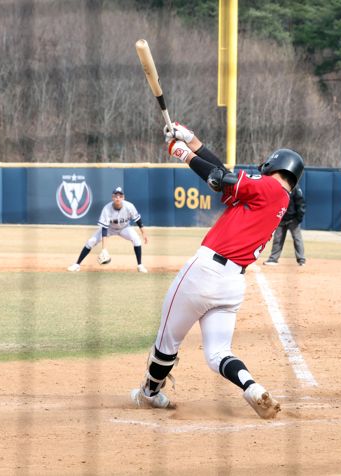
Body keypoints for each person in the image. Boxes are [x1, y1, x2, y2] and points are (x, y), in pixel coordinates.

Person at [130, 122, 304, 419]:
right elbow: (226, 177)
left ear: (276, 164)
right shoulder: (277, 198)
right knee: (218, 354)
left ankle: (150, 393)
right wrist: (194, 142)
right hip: (232, 285)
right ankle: (251, 387)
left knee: (166, 342)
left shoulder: (267, 187)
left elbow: (219, 177)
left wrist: (182, 153)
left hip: (204, 272)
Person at [67, 187, 149, 273]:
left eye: (120, 196)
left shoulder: (129, 206)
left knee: (136, 239)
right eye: (116, 196)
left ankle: (140, 266)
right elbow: (104, 229)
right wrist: (104, 249)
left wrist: (144, 233)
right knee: (91, 241)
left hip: (124, 228)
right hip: (110, 228)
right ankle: (77, 265)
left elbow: (138, 220)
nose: (118, 198)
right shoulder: (106, 209)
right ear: (112, 197)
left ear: (123, 197)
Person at [264, 185, 306, 266]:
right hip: (281, 218)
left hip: (293, 219)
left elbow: (301, 203)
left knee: (297, 239)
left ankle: (301, 260)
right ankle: (273, 259)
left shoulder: (295, 188)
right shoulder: (278, 187)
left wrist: (298, 218)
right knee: (278, 239)